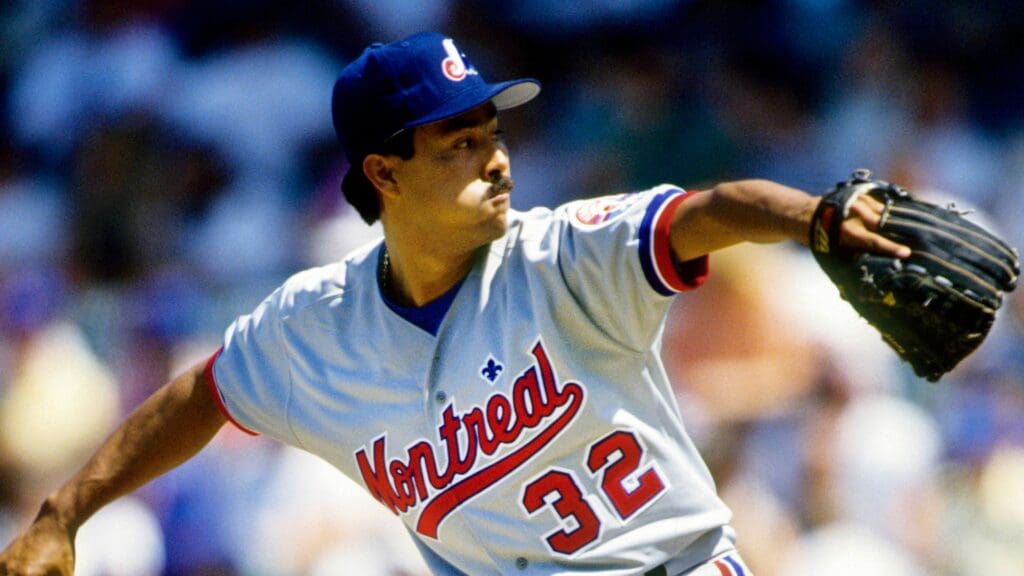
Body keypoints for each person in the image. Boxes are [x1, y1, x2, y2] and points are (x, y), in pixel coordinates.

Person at [0, 32, 910, 576]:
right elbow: (203, 394)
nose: (496, 158)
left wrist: (813, 217)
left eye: (494, 132)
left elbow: (708, 210)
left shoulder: (562, 253)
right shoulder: (314, 326)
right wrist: (61, 516)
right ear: (385, 174)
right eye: (460, 143)